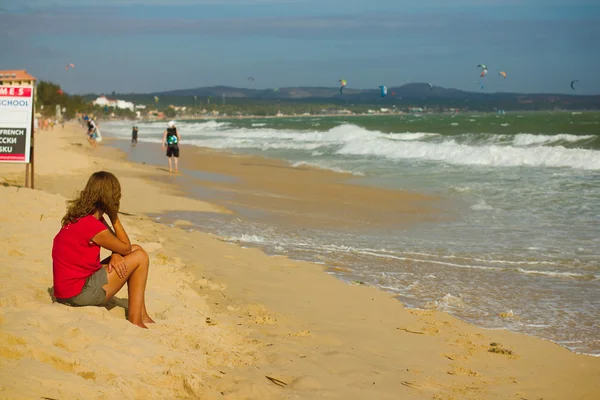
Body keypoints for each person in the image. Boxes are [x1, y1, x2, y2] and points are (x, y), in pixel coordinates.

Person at [52, 171, 154, 328]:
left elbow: (118, 245)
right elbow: (124, 247)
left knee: (136, 248)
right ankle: (136, 320)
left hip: (68, 289)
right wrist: (114, 217)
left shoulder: (83, 217)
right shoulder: (92, 225)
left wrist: (115, 254)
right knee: (140, 256)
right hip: (78, 294)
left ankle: (143, 314)